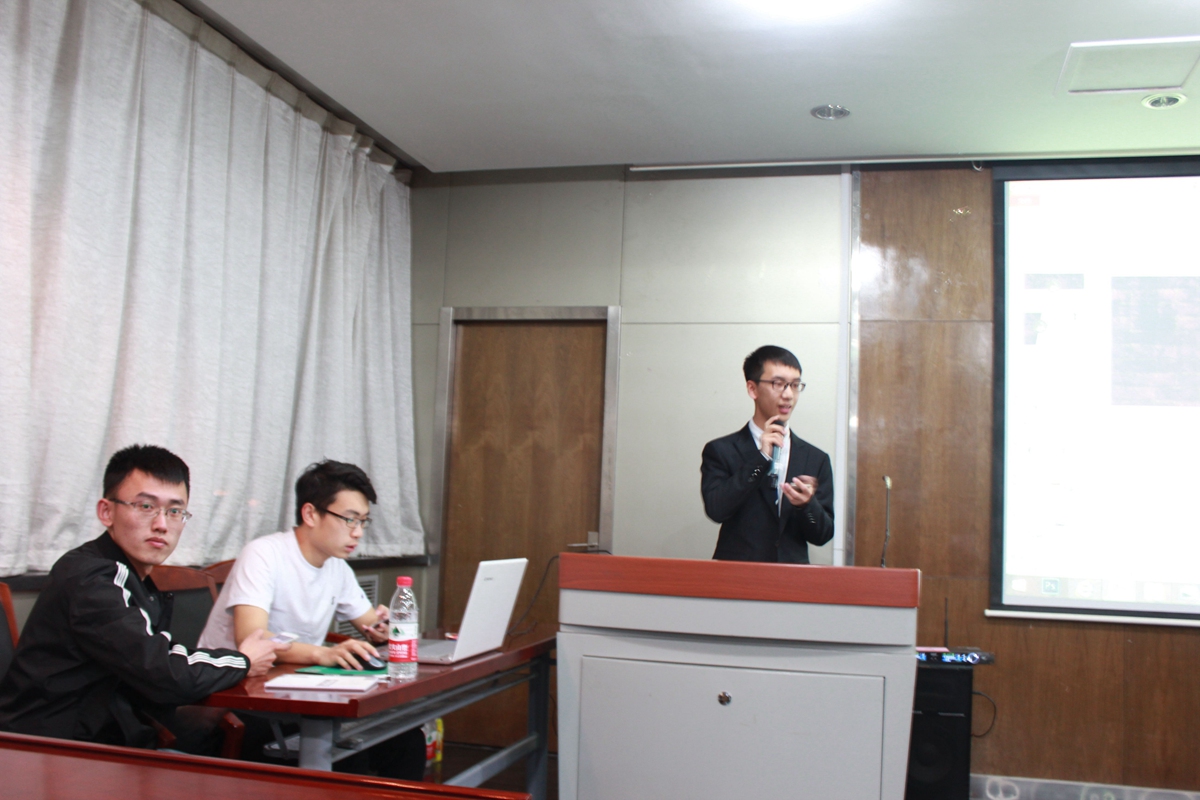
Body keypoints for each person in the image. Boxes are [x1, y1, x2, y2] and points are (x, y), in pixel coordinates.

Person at [0, 445, 282, 752]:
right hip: (48, 753)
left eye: (175, 511)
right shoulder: (93, 577)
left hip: (97, 743)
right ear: (106, 512)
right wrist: (243, 661)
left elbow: (157, 660)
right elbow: (161, 669)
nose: (162, 524)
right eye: (146, 506)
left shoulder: (132, 577)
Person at [198, 459, 425, 779]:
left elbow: (371, 622)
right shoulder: (263, 554)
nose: (358, 532)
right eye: (349, 519)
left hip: (301, 697)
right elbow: (251, 639)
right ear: (310, 514)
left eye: (363, 521)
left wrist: (383, 627)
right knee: (348, 756)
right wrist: (323, 654)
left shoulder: (336, 567)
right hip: (239, 701)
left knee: (406, 741)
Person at [701, 345, 834, 563]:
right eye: (778, 384)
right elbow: (716, 510)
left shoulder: (816, 459)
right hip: (737, 574)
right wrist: (760, 458)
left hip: (791, 576)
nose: (788, 395)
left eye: (795, 385)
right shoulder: (721, 450)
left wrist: (806, 505)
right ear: (752, 389)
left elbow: (823, 535)